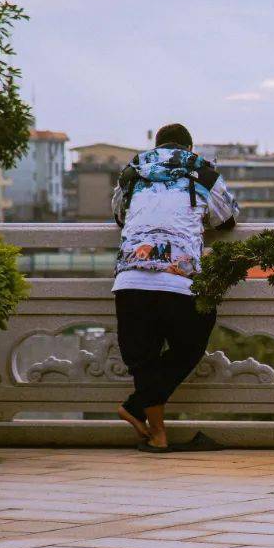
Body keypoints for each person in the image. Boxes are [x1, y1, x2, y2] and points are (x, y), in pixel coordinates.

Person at [111, 123, 239, 449]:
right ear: (189, 148)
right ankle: (137, 410)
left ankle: (157, 436)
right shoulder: (202, 171)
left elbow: (119, 216)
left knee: (144, 359)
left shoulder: (132, 171)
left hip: (130, 278)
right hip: (178, 279)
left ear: (157, 145)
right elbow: (226, 219)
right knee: (189, 345)